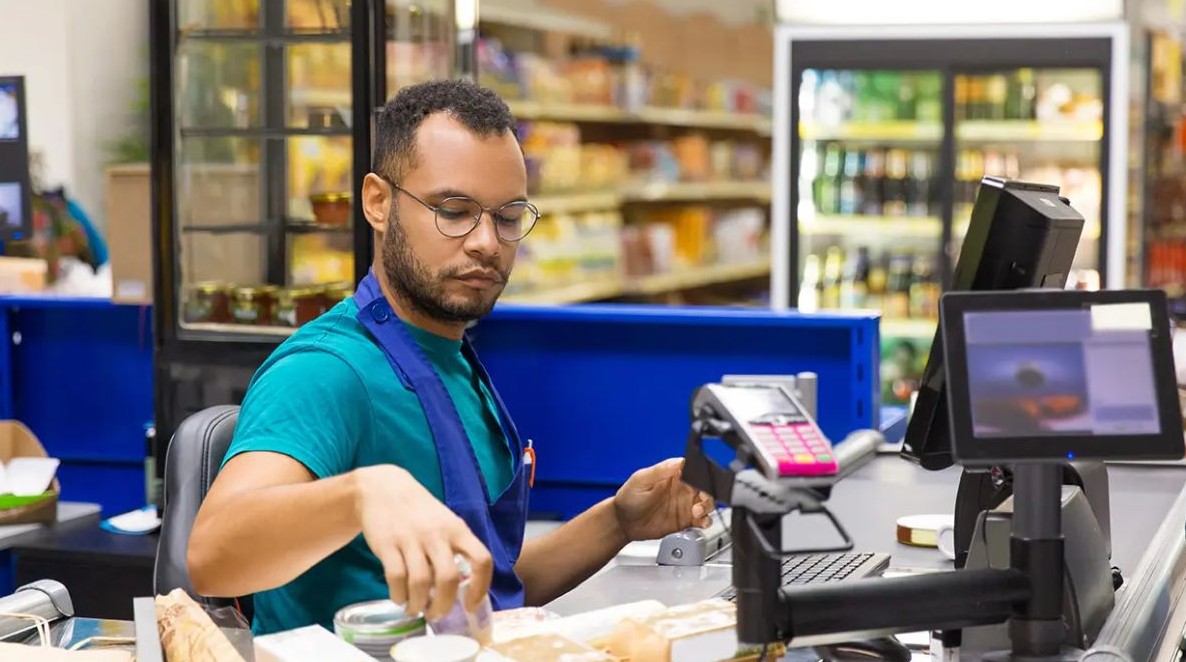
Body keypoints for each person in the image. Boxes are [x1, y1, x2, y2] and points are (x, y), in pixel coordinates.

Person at [186, 79, 714, 636]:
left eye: (507, 216)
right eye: (454, 210)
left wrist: (618, 520)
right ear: (378, 203)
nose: (487, 241)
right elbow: (212, 552)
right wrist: (362, 495)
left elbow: (488, 589)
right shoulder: (329, 372)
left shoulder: (452, 359)